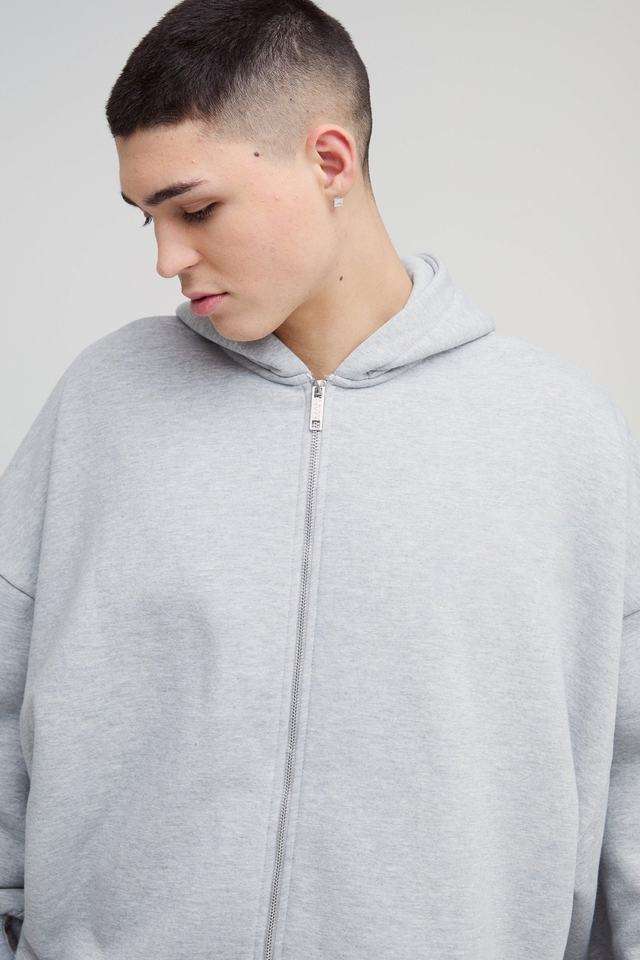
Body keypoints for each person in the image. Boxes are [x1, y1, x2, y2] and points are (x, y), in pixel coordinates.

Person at [1, 0, 638, 957]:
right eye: (148, 219)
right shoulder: (104, 406)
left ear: (330, 161)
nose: (169, 258)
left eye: (196, 209)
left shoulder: (562, 436)